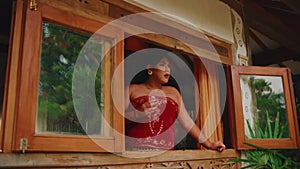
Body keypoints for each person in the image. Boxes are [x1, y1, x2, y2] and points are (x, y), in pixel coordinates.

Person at [124, 50, 225, 152]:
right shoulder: (131, 89)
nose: (167, 69)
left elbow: (188, 123)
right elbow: (117, 121)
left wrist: (209, 144)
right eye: (162, 65)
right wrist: (137, 114)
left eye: (169, 66)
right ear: (150, 68)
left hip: (167, 154)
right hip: (135, 151)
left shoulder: (173, 92)